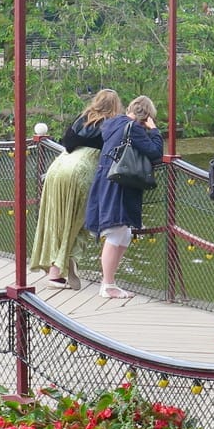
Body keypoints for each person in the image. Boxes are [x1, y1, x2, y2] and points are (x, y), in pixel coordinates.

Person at [29, 89, 121, 290]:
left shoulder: (83, 118)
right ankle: (58, 271)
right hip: (81, 172)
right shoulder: (113, 125)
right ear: (116, 106)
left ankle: (60, 266)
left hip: (58, 167)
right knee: (77, 222)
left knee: (55, 220)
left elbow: (67, 143)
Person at [84, 94, 163, 299]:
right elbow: (155, 152)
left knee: (124, 233)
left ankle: (108, 281)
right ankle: (108, 285)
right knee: (116, 231)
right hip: (119, 185)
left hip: (108, 179)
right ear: (146, 116)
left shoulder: (114, 122)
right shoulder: (134, 128)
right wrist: (154, 131)